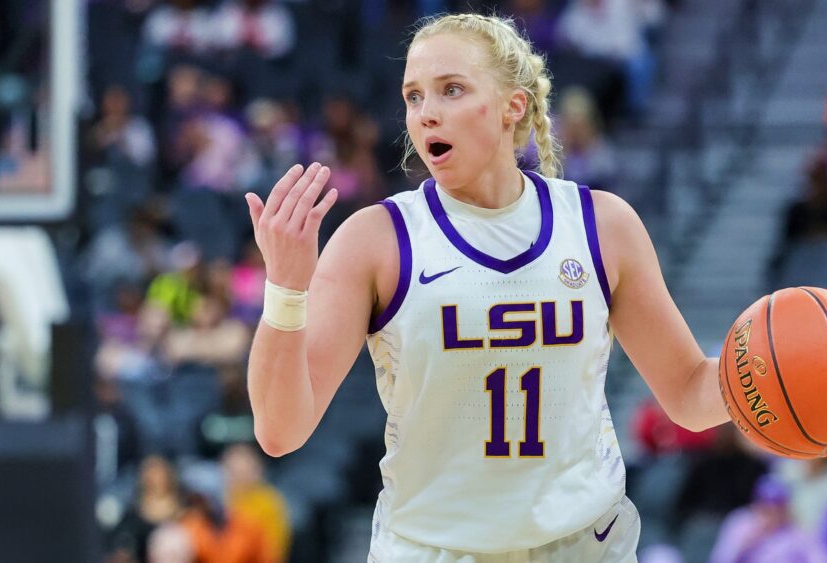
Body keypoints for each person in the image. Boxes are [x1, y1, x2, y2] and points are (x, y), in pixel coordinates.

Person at [244, 13, 729, 561]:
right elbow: (280, 430)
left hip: (582, 547)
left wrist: (760, 371)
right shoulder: (376, 239)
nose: (426, 114)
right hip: (434, 550)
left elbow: (689, 393)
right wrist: (285, 289)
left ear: (512, 106)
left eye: (451, 90)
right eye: (413, 96)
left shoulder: (601, 225)